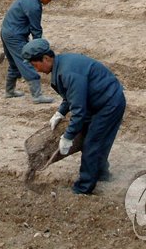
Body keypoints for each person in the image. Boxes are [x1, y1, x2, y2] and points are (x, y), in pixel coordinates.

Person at [23, 38, 126, 195]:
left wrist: (68, 136)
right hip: (96, 101)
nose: (35, 69)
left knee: (92, 142)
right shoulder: (61, 65)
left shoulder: (68, 72)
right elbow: (71, 96)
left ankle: (83, 188)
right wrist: (60, 112)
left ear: (45, 58)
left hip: (109, 103)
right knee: (94, 139)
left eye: (34, 64)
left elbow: (79, 110)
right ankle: (101, 173)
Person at [1, 0, 60, 103]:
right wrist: (38, 49)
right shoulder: (35, 7)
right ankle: (37, 96)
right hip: (15, 36)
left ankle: (9, 91)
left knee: (14, 63)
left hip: (6, 31)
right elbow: (36, 29)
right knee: (27, 61)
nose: (50, 1)